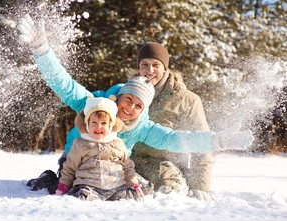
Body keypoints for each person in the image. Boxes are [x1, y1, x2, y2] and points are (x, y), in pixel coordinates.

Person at [18, 14, 254, 198]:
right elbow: (64, 84)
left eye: (138, 105)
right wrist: (42, 50)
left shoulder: (143, 126)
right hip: (76, 164)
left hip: (110, 171)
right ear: (120, 95)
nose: (130, 108)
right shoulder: (95, 103)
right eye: (128, 99)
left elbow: (176, 139)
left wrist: (219, 141)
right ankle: (50, 179)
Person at [129, 42, 214, 201]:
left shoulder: (187, 100)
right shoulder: (127, 94)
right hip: (130, 163)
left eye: (156, 65)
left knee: (168, 195)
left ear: (165, 68)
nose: (150, 70)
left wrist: (200, 186)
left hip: (167, 166)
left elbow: (202, 144)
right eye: (144, 65)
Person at [55, 95, 144, 201]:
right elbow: (70, 168)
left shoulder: (118, 144)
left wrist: (135, 185)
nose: (98, 127)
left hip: (117, 187)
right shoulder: (81, 144)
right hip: (90, 187)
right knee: (81, 198)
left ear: (111, 125)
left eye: (104, 123)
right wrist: (63, 187)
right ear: (87, 124)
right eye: (94, 123)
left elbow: (128, 166)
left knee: (133, 198)